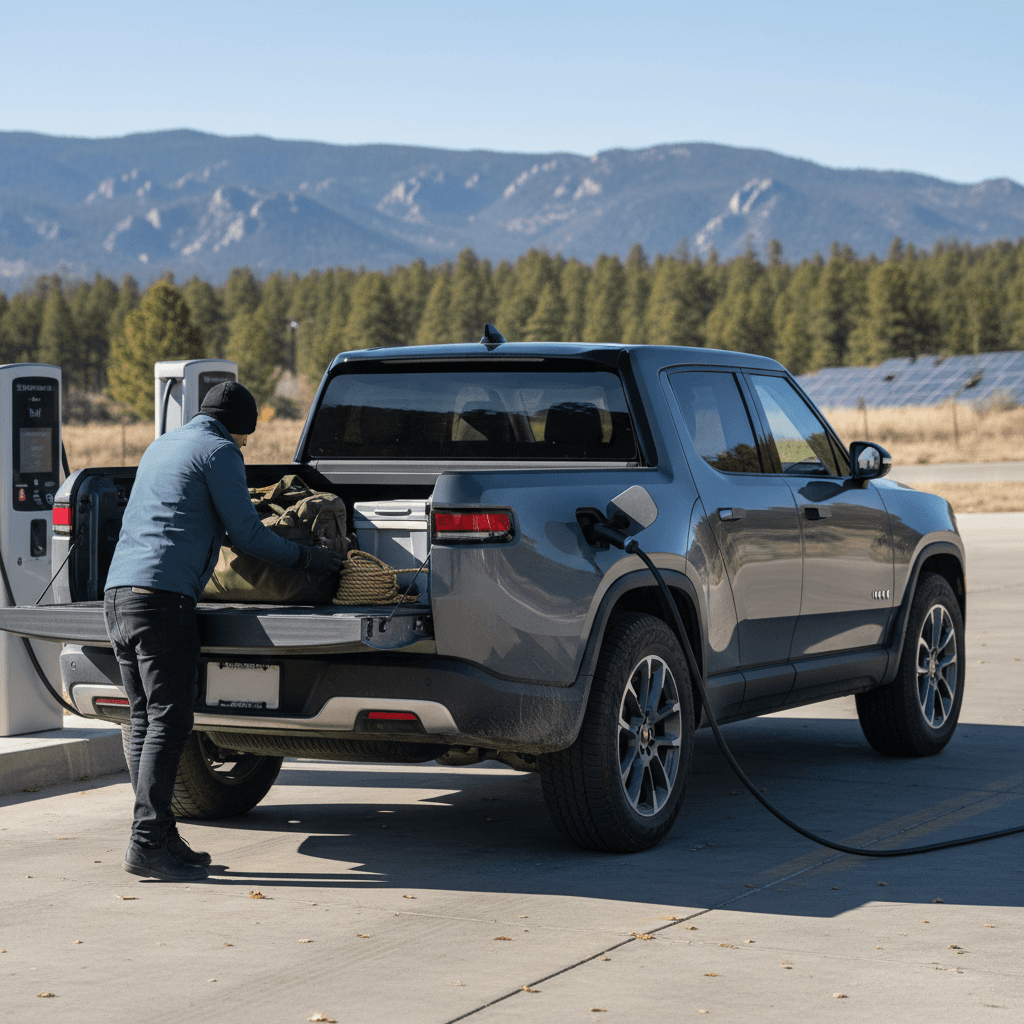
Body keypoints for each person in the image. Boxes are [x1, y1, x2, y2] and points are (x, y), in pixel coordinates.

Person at [104, 382, 342, 882]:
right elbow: (247, 535)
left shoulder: (162, 444)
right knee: (169, 722)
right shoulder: (219, 451)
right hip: (163, 600)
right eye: (246, 438)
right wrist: (311, 559)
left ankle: (160, 835)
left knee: (147, 721)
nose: (245, 447)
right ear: (240, 427)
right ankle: (146, 842)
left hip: (119, 596)